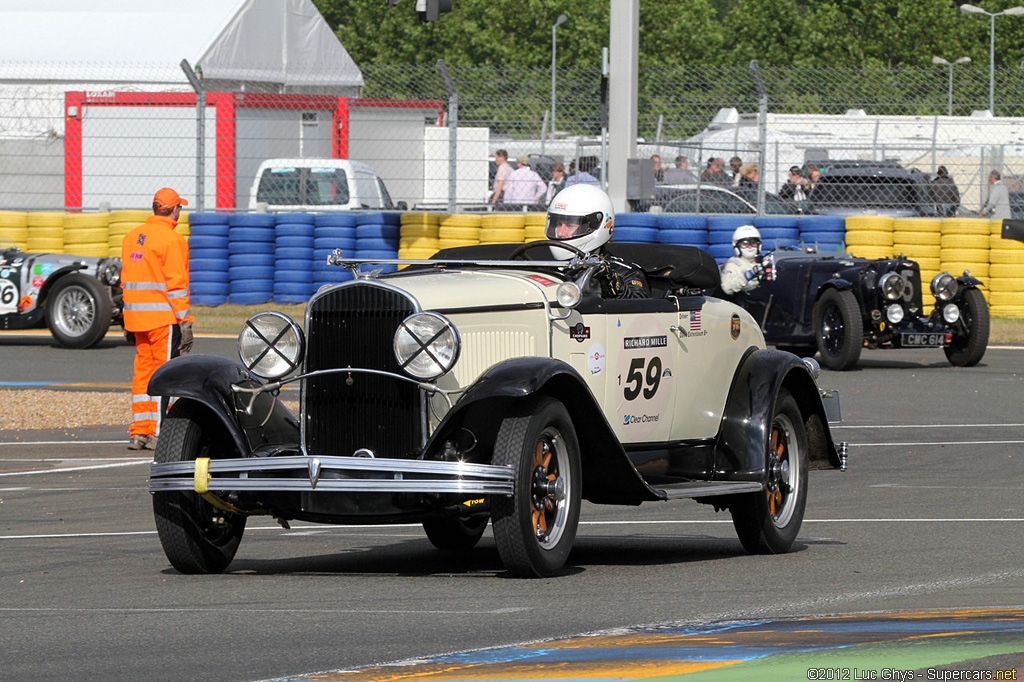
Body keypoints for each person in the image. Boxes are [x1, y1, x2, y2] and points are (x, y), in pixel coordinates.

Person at [121, 187, 194, 450]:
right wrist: (185, 321)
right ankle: (160, 434)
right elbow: (177, 286)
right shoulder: (173, 240)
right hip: (163, 320)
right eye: (179, 208)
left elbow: (126, 281)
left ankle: (140, 431)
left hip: (136, 319)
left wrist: (126, 317)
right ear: (174, 210)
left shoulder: (131, 237)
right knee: (165, 375)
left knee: (143, 376)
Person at [545, 184, 650, 299]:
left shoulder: (626, 272)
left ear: (597, 225)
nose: (560, 232)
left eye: (570, 224)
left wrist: (616, 286)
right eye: (558, 224)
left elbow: (638, 306)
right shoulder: (545, 266)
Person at [719, 224, 765, 295]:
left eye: (753, 243)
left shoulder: (764, 262)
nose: (750, 247)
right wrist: (748, 275)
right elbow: (727, 288)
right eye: (745, 244)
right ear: (737, 247)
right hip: (744, 302)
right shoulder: (733, 265)